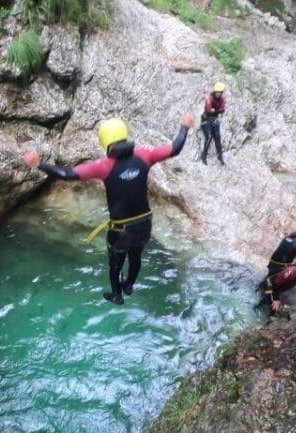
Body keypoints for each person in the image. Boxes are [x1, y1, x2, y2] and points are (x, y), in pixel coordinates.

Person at [23, 114, 195, 305]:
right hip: (144, 224)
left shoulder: (104, 166)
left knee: (115, 264)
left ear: (106, 143)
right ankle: (129, 285)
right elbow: (175, 148)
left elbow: (68, 174)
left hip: (121, 230)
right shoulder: (145, 156)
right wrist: (184, 126)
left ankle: (117, 295)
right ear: (124, 136)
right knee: (136, 256)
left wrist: (39, 164)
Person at [201, 82, 226, 165]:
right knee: (209, 137)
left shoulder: (221, 99)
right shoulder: (210, 98)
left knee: (218, 137)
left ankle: (220, 156)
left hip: (214, 118)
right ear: (215, 92)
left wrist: (215, 110)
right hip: (206, 119)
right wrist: (216, 110)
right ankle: (204, 156)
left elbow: (223, 110)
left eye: (221, 92)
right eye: (219, 92)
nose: (220, 94)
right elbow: (208, 109)